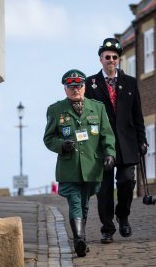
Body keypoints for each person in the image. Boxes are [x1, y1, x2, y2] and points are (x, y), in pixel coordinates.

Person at [43, 69, 116, 257]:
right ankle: (79, 239)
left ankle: (80, 237)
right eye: (71, 86)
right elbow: (49, 138)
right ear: (65, 89)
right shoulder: (56, 110)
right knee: (75, 201)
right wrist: (61, 145)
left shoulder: (97, 108)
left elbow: (106, 135)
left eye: (79, 86)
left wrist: (109, 153)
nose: (75, 89)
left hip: (92, 166)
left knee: (84, 204)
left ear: (84, 87)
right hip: (70, 167)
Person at [85, 38, 148, 244]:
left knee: (127, 181)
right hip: (101, 145)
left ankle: (123, 215)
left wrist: (143, 140)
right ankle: (107, 228)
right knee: (104, 189)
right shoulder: (91, 83)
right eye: (107, 57)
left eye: (114, 57)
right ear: (100, 59)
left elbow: (137, 114)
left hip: (127, 143)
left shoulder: (130, 82)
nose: (111, 60)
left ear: (118, 59)